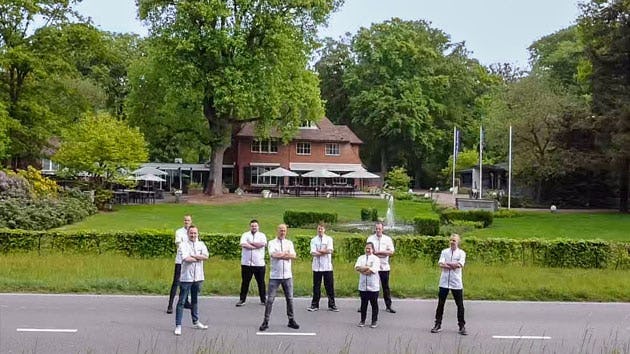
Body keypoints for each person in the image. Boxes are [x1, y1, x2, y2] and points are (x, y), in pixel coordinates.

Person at [259, 224, 300, 331]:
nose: (282, 232)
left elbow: (293, 256)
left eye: (284, 230)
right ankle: (265, 321)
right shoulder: (272, 243)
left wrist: (282, 255)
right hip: (275, 276)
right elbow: (273, 255)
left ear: (286, 232)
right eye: (281, 230)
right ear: (277, 231)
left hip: (287, 276)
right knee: (270, 300)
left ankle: (291, 320)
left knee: (290, 299)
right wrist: (285, 254)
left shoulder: (289, 243)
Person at [174, 225, 209, 335]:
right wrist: (198, 257)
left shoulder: (201, 244)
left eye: (195, 233)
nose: (193, 235)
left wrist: (194, 256)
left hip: (198, 277)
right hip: (186, 277)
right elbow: (186, 258)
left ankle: (196, 321)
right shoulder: (183, 245)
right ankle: (178, 325)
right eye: (191, 233)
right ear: (188, 234)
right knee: (182, 301)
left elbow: (206, 256)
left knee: (195, 300)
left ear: (198, 234)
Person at [431, 234, 467, 335]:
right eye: (451, 240)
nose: (452, 242)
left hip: (456, 282)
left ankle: (461, 326)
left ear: (458, 242)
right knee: (440, 304)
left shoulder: (461, 253)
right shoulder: (444, 252)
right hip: (444, 282)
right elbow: (440, 264)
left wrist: (448, 264)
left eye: (454, 240)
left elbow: (459, 265)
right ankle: (437, 324)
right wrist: (452, 264)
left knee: (460, 305)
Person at [307, 223, 338, 312]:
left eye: (321, 229)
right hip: (317, 267)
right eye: (319, 229)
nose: (320, 230)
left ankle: (332, 305)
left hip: (327, 267)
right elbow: (313, 252)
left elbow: (330, 250)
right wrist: (324, 252)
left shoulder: (329, 239)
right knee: (316, 286)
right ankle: (314, 304)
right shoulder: (313, 240)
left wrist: (320, 251)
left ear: (324, 230)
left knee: (329, 286)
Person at [366, 222, 396, 313]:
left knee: (385, 286)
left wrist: (378, 252)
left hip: (384, 266)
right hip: (373, 266)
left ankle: (388, 305)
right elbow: (369, 251)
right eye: (376, 229)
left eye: (379, 229)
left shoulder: (387, 239)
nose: (378, 230)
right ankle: (364, 305)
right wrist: (383, 253)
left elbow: (391, 252)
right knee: (370, 286)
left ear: (383, 229)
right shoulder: (370, 238)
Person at [236, 219, 267, 307]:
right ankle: (242, 300)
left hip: (259, 263)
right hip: (246, 263)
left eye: (255, 226)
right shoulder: (245, 235)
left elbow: (263, 244)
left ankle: (263, 299)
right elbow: (243, 244)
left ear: (258, 226)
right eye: (252, 226)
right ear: (250, 226)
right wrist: (254, 247)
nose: (254, 227)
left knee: (261, 282)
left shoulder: (262, 235)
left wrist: (251, 243)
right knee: (245, 282)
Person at [167, 215, 192, 313]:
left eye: (188, 220)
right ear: (183, 221)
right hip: (180, 261)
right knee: (176, 282)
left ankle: (185, 301)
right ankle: (170, 305)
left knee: (187, 281)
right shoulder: (179, 232)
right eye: (185, 220)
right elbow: (179, 245)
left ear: (191, 221)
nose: (187, 222)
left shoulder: (193, 231)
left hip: (189, 261)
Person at [354, 242, 380, 328]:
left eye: (369, 248)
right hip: (363, 286)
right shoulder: (361, 258)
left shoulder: (376, 259)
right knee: (363, 304)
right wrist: (366, 268)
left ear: (373, 249)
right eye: (366, 248)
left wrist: (364, 269)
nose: (368, 250)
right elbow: (357, 267)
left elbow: (372, 270)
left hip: (373, 286)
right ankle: (362, 320)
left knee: (374, 304)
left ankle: (374, 321)